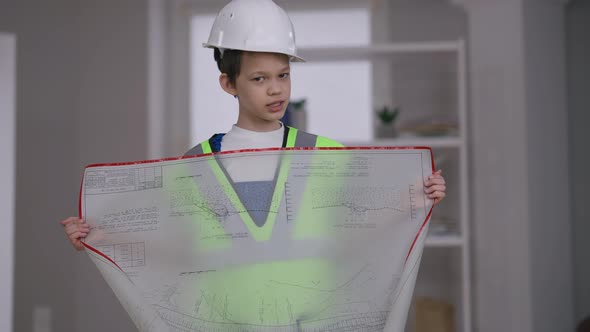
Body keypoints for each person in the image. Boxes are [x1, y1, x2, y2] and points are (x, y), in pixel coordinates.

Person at [61, 0, 446, 250]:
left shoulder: (322, 153)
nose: (276, 90)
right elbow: (166, 235)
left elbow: (363, 215)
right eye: (259, 79)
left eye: (283, 74)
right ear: (229, 83)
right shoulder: (198, 164)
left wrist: (419, 197)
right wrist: (95, 236)